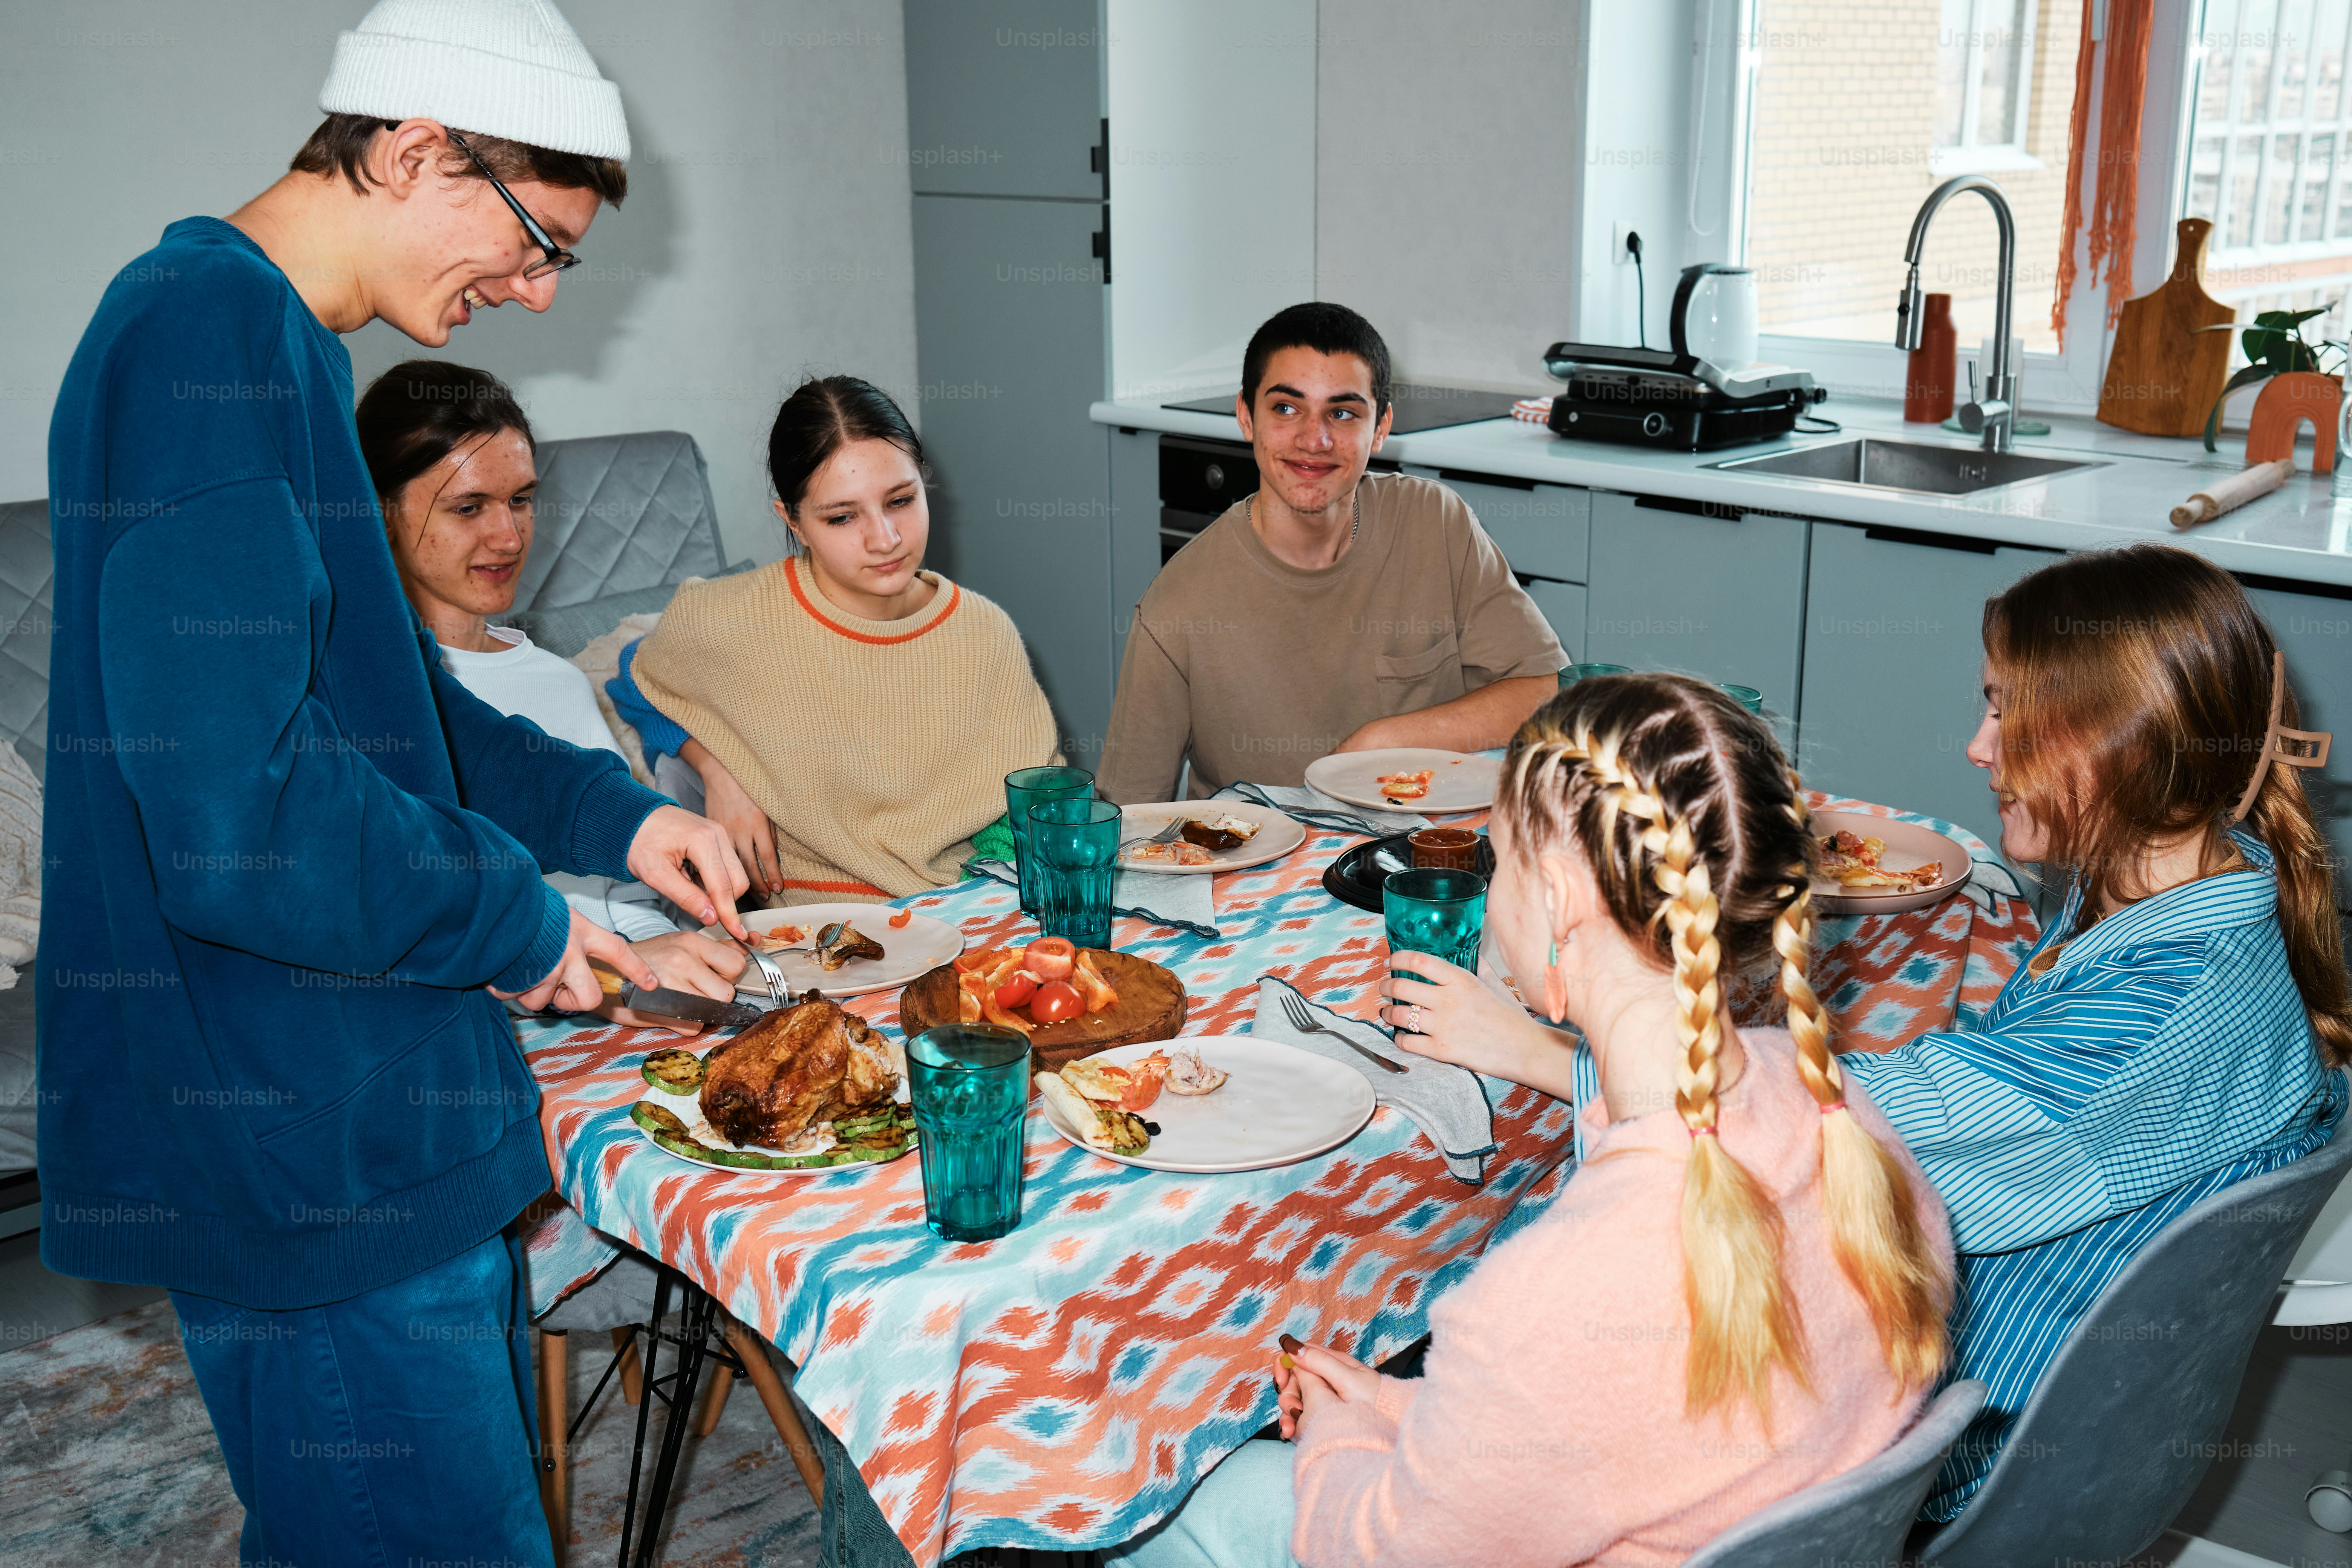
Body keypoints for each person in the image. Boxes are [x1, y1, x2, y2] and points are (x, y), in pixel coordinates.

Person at [35, 6, 749, 1564]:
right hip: (305, 1135)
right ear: (415, 147)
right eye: (535, 238)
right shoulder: (199, 341)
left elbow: (394, 709)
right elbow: (242, 810)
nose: (537, 290)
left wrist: (626, 814)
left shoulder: (275, 341)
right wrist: (514, 915)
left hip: (375, 1109)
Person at [1379, 544, 2350, 1527]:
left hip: (1939, 1438)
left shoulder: (2154, 1023)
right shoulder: (2204, 892)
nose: (1979, 747)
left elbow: (1803, 1143)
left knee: (1498, 1304)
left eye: (2011, 714)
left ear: (2130, 749)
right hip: (2049, 1391)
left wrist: (1539, 1048)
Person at [1113, 675, 1955, 1567]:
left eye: (1499, 858)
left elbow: (1372, 1551)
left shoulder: (1549, 1295)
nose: (1492, 881)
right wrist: (1393, 1408)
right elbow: (1596, 1428)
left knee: (1173, 1508)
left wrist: (1336, 1435)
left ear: (1557, 899)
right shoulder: (1853, 1126)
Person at [358, 358, 748, 1032]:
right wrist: (615, 975)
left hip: (618, 1016)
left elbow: (626, 895)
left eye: (521, 500)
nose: (509, 538)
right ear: (382, 511)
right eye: (468, 507)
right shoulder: (371, 700)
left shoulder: (556, 683)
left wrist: (654, 967)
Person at [607, 375, 1060, 902]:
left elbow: (1034, 806)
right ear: (793, 521)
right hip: (815, 941)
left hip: (969, 911)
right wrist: (715, 772)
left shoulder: (985, 632)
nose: (885, 539)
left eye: (901, 501)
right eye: (843, 517)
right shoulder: (730, 619)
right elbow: (636, 682)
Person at [1096, 302, 1564, 804]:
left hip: (1422, 855)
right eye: (1286, 408)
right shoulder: (1177, 607)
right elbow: (1127, 815)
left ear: (1381, 428)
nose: (1314, 439)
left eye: (1341, 413)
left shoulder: (1437, 524)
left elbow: (1546, 691)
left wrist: (1381, 741)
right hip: (1263, 874)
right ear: (1245, 416)